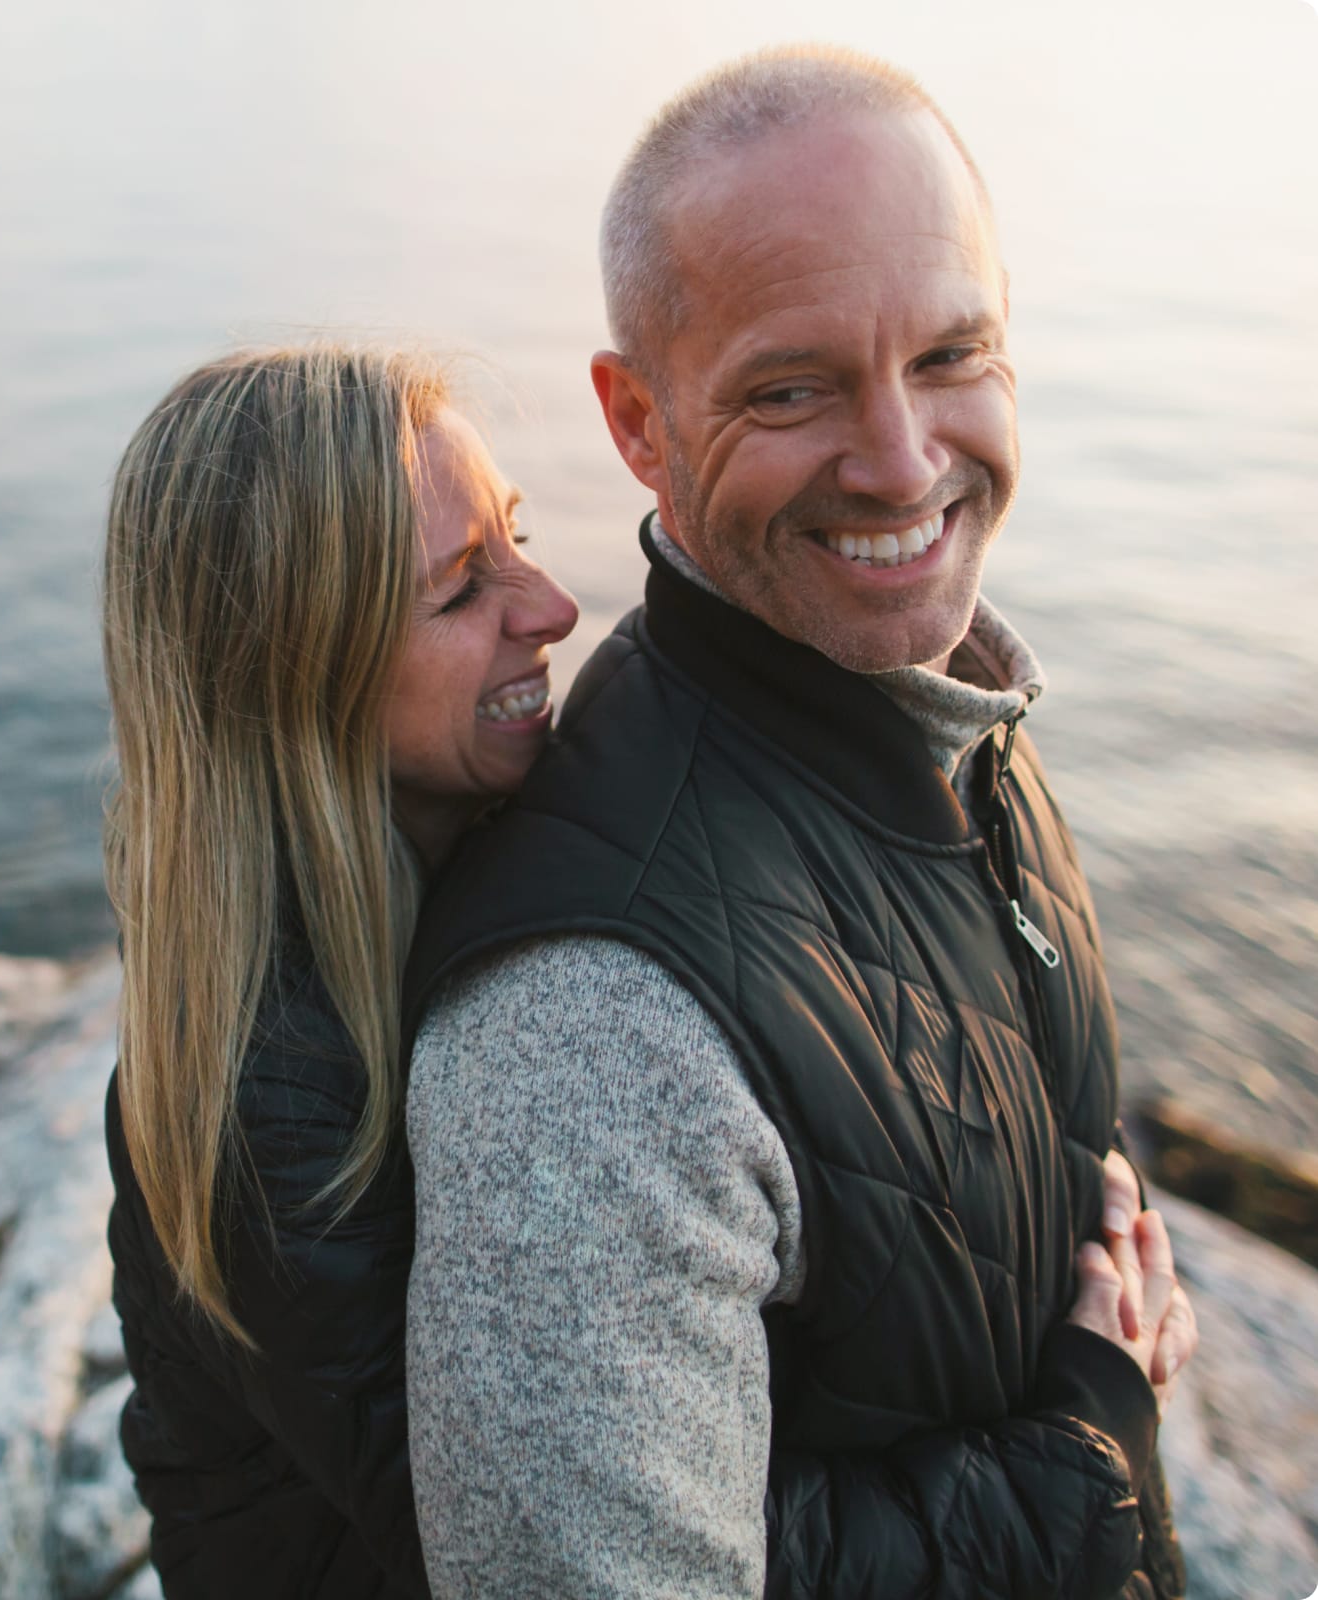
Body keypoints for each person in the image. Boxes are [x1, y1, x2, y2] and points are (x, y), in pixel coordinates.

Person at [404, 46, 1198, 1600]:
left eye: (953, 355)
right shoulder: (589, 1034)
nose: (904, 461)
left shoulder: (944, 713)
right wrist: (1089, 1455)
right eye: (792, 386)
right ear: (638, 424)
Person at [100, 342, 577, 1596]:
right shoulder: (266, 1098)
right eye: (463, 587)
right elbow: (531, 1546)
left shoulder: (472, 851)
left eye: (515, 536)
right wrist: (1069, 1436)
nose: (551, 606)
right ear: (298, 675)